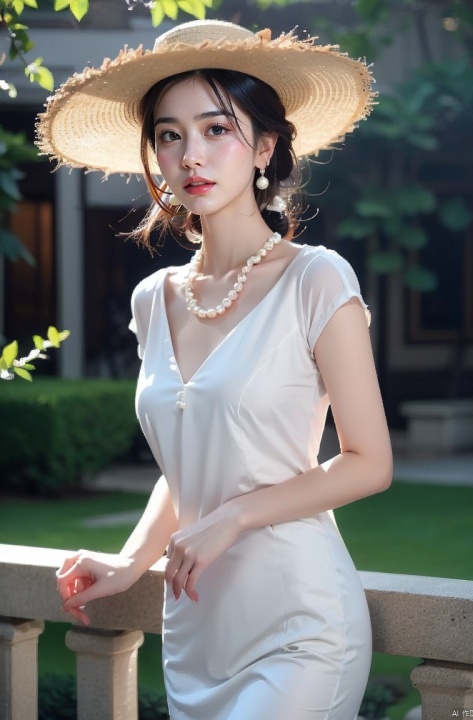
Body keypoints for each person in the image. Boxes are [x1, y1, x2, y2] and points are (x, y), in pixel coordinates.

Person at [38, 19, 393, 720]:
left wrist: (232, 518)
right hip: (195, 628)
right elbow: (192, 460)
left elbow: (368, 462)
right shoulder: (155, 298)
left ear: (264, 146)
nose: (189, 155)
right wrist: (134, 560)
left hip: (299, 625)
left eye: (215, 129)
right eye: (169, 134)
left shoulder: (317, 279)